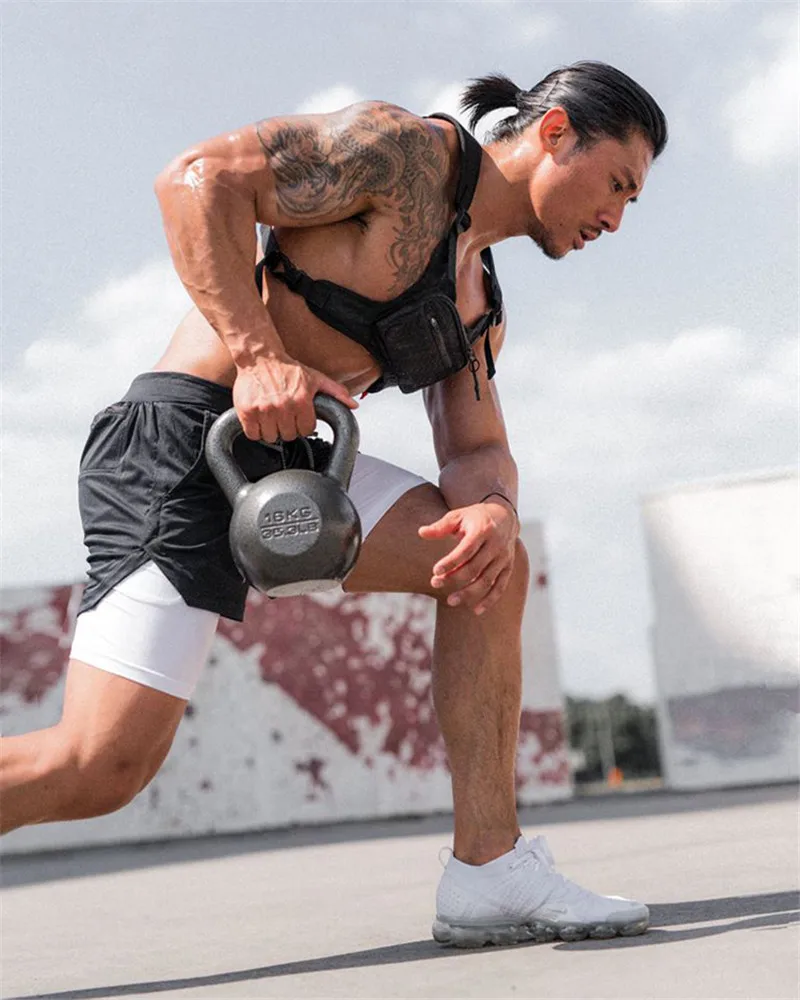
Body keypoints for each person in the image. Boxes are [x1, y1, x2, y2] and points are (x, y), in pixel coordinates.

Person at [0, 62, 667, 948]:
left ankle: (490, 870)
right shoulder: (402, 156)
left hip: (297, 466)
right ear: (554, 134)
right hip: (185, 443)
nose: (616, 219)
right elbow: (196, 179)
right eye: (617, 184)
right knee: (98, 766)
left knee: (484, 564)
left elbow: (473, 449)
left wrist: (493, 508)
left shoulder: (477, 300)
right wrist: (256, 355)